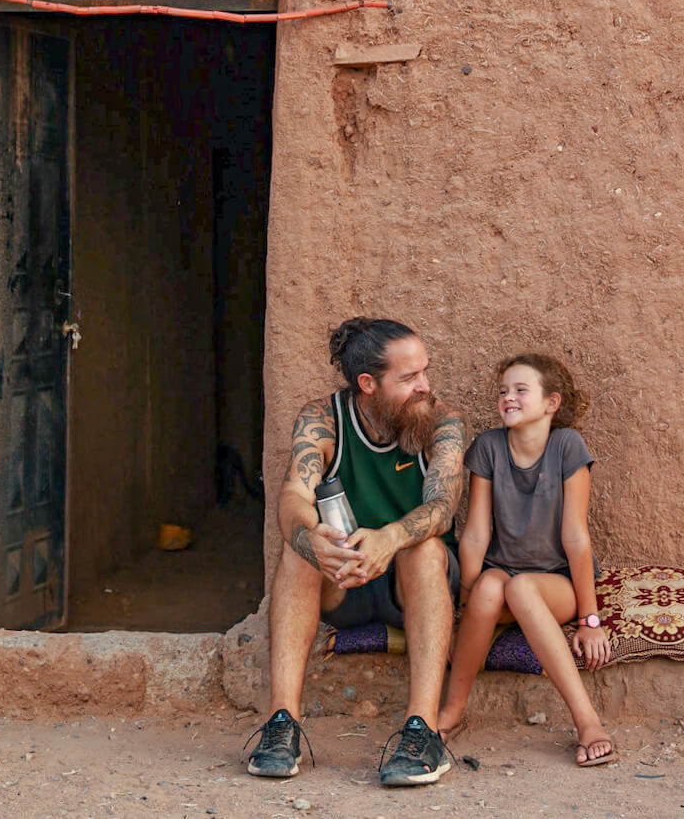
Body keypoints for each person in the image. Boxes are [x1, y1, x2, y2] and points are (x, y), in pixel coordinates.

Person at [245, 317, 466, 787]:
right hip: (346, 581)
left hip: (414, 588)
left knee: (423, 550)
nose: (424, 386)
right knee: (297, 549)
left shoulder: (440, 420)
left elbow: (443, 508)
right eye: (409, 378)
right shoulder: (322, 420)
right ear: (368, 384)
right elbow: (292, 498)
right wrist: (313, 539)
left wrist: (389, 536)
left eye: (424, 372)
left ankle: (422, 731)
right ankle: (282, 723)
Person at [437, 353, 618, 768]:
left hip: (556, 584)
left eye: (521, 390)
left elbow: (575, 535)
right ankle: (452, 712)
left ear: (550, 403)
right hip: (503, 575)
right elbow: (477, 534)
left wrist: (590, 621)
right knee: (487, 588)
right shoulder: (487, 446)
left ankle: (587, 721)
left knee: (520, 587)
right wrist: (463, 605)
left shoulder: (567, 446)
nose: (508, 398)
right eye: (503, 391)